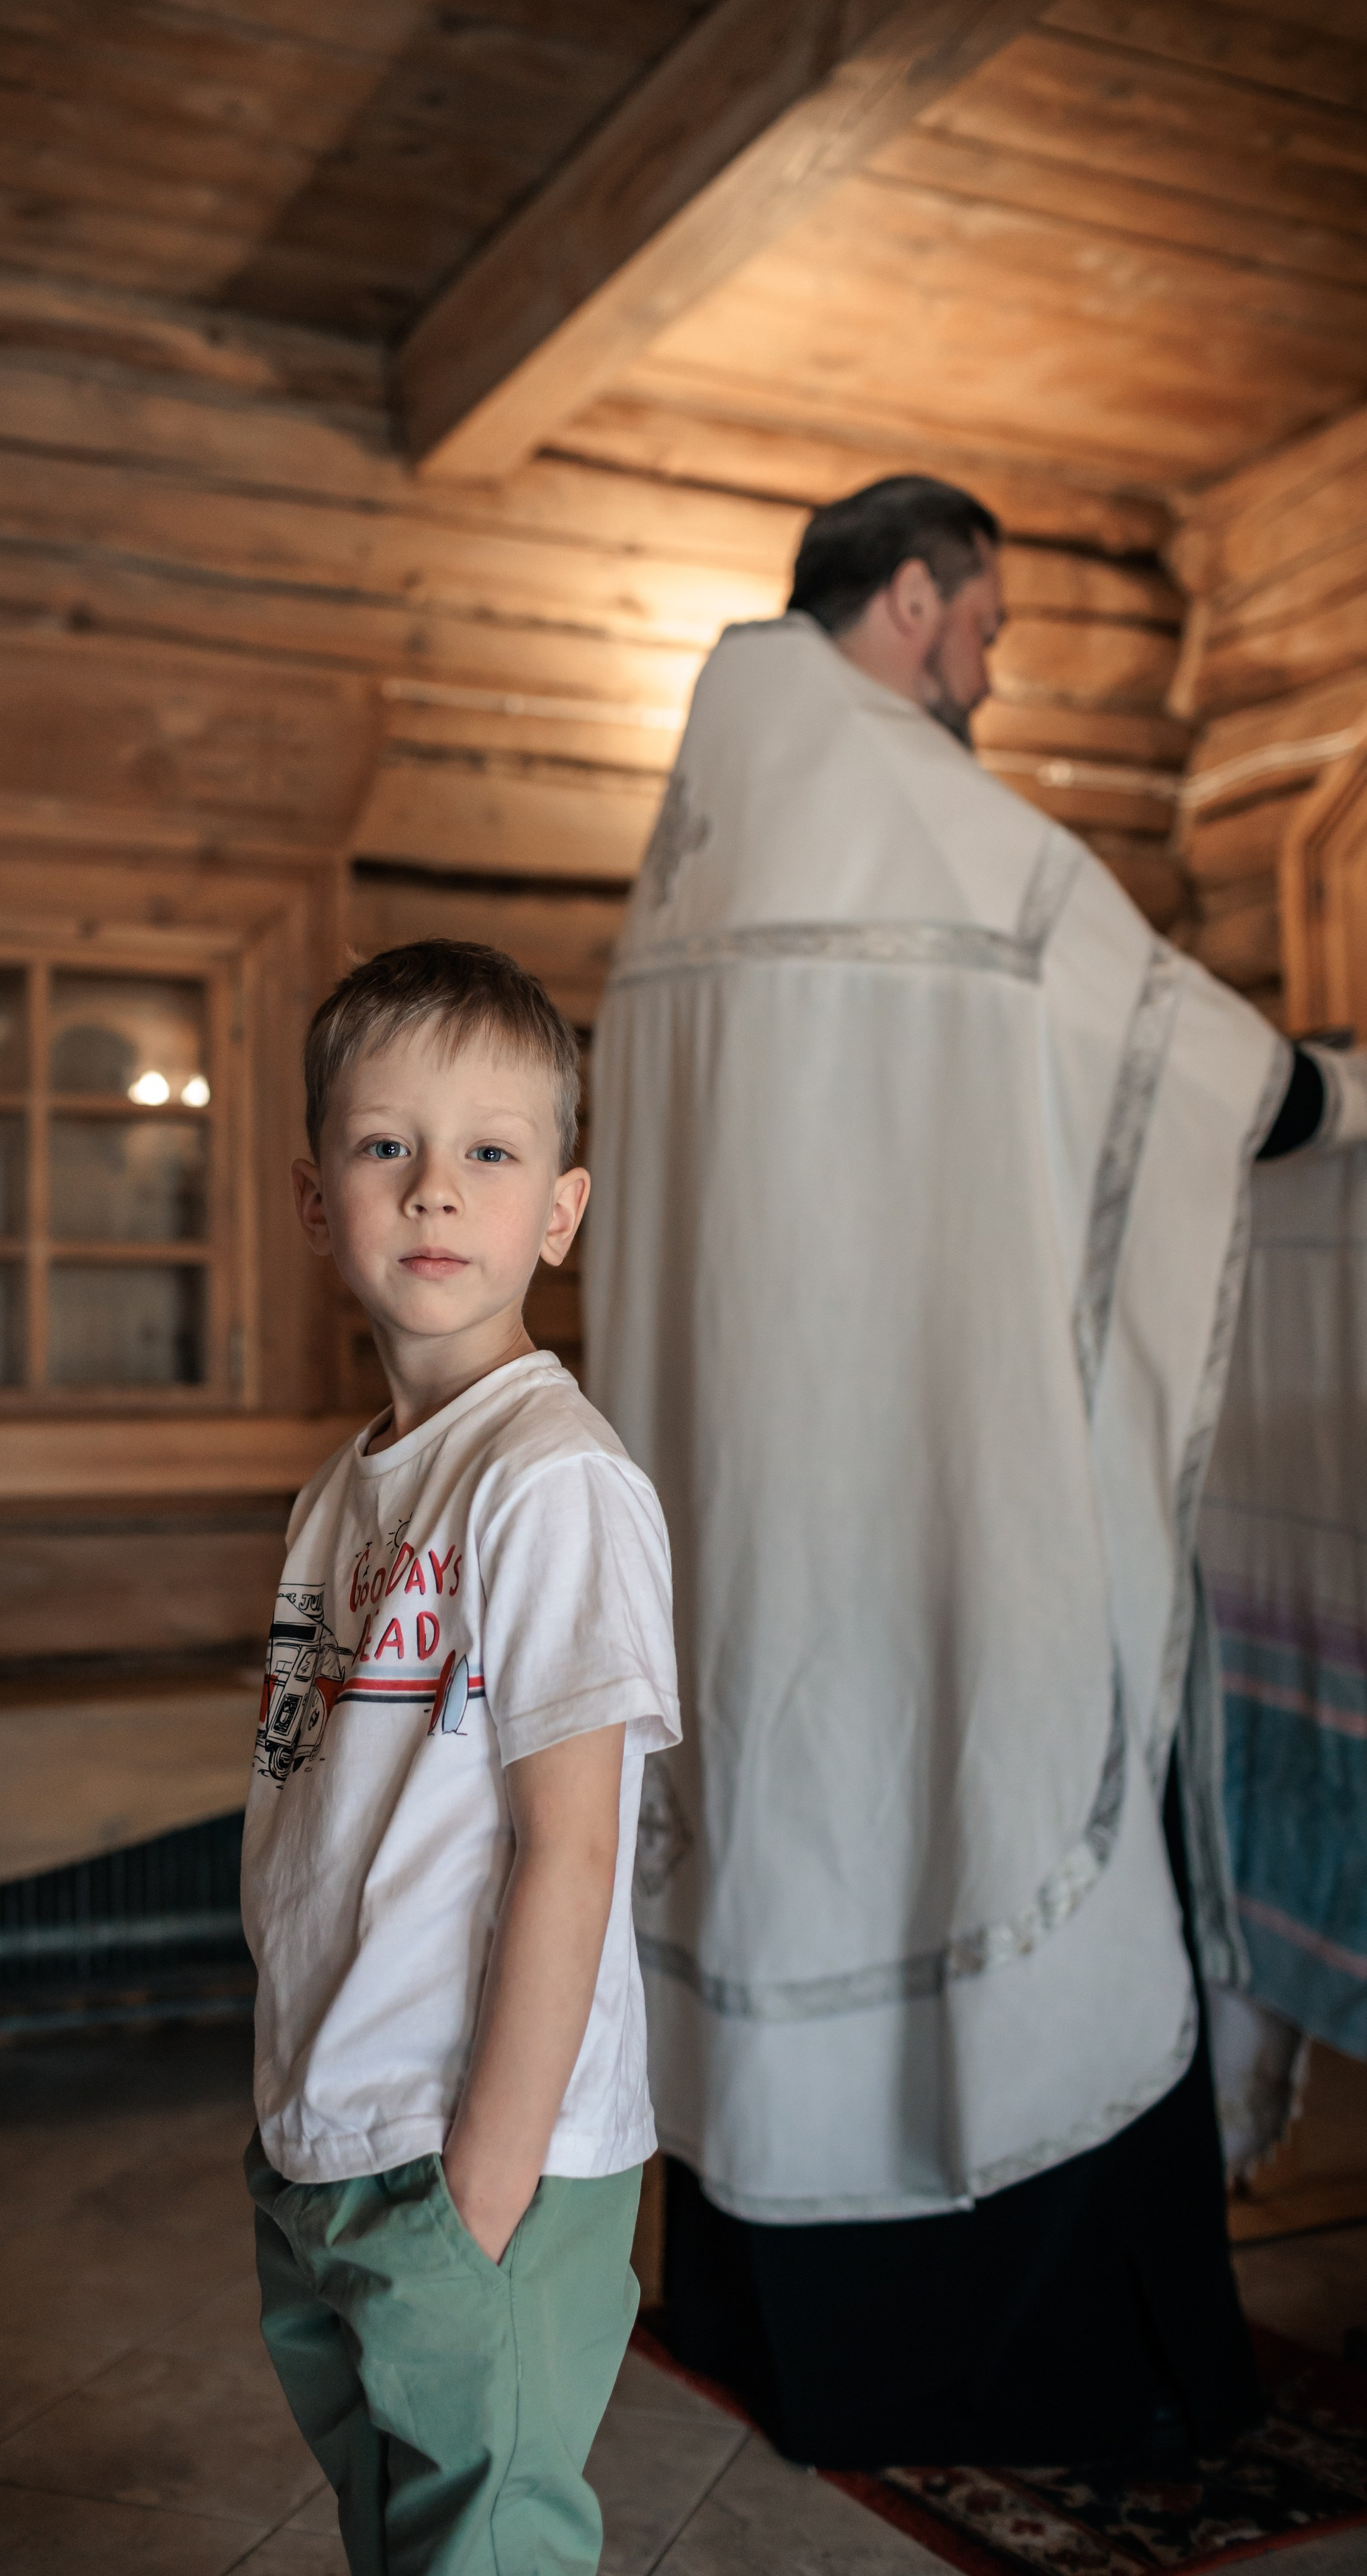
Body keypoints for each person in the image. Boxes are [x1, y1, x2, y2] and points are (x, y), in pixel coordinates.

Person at [586, 476, 1366, 2471]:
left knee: (793, 1812)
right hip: (918, 1489)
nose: (997, 666)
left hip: (749, 1501)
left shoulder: (686, 851)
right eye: (992, 624)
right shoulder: (924, 815)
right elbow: (1175, 1068)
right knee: (974, 1779)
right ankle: (1039, 2360)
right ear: (917, 600)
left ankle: (774, 2320)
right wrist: (1333, 1093)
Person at [241, 940, 680, 2575]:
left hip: (468, 2153)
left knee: (484, 2544)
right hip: (332, 2125)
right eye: (384, 1147)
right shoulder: (344, 1492)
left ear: (555, 1213)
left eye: (489, 1152)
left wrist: (485, 2177)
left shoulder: (547, 1479)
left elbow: (571, 1848)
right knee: (400, 2530)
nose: (434, 1191)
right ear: (314, 1200)